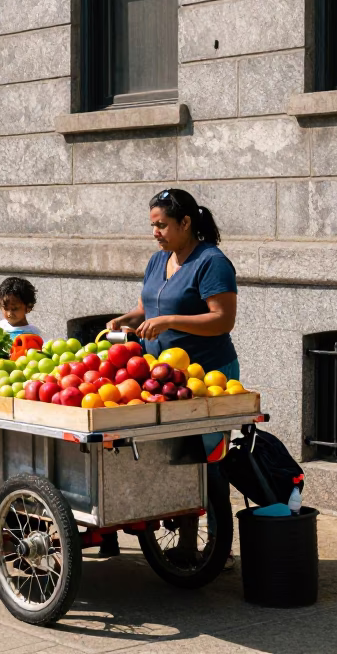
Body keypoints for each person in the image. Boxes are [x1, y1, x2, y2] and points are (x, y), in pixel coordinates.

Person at [104, 188, 239, 559]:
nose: (156, 232)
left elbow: (223, 319)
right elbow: (144, 308)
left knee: (202, 460)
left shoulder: (212, 262)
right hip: (160, 378)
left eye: (162, 225)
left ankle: (210, 547)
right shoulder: (157, 260)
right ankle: (181, 534)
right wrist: (125, 319)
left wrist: (169, 321)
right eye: (152, 225)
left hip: (207, 376)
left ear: (185, 223)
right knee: (170, 458)